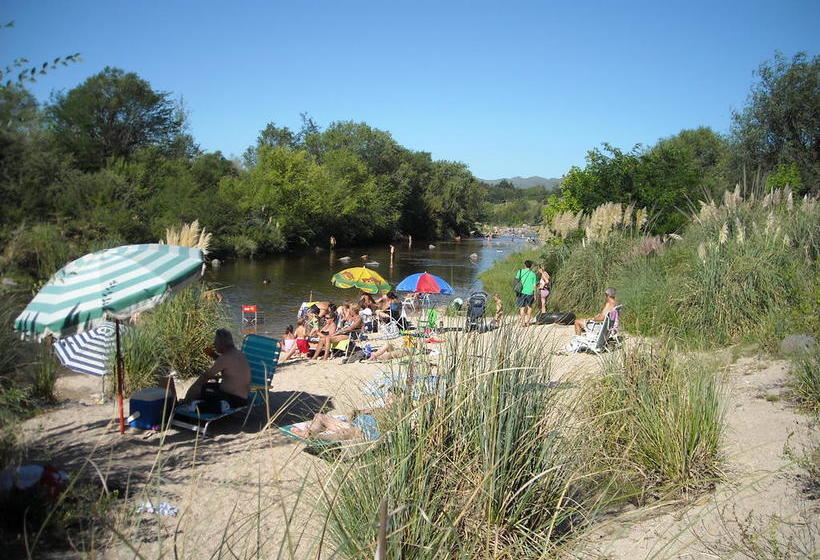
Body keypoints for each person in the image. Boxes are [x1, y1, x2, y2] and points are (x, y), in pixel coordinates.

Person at [184, 329, 250, 409]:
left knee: (197, 389)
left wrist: (195, 386)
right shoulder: (239, 354)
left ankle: (184, 406)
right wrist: (215, 357)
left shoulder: (225, 357)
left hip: (231, 399)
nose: (214, 344)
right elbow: (232, 371)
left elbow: (205, 376)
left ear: (222, 344)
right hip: (242, 399)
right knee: (206, 388)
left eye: (215, 342)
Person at [514, 260, 538, 327]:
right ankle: (528, 322)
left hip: (521, 292)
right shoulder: (533, 274)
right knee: (530, 307)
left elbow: (516, 280)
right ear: (531, 266)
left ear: (525, 265)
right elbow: (534, 286)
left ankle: (522, 322)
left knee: (522, 307)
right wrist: (535, 294)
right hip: (530, 292)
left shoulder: (520, 271)